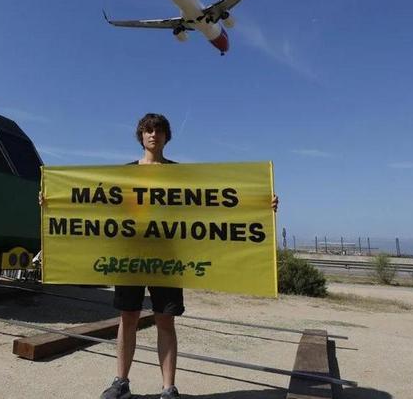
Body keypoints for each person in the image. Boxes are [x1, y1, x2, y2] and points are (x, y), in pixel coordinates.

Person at [99, 113, 279, 399]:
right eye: (147, 130)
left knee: (165, 320)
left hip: (170, 259)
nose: (152, 135)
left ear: (166, 136)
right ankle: (121, 382)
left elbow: (212, 201)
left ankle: (168, 388)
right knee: (128, 317)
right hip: (130, 257)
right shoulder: (125, 173)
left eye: (158, 130)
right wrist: (52, 201)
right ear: (140, 136)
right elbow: (92, 204)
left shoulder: (179, 175)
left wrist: (259, 203)